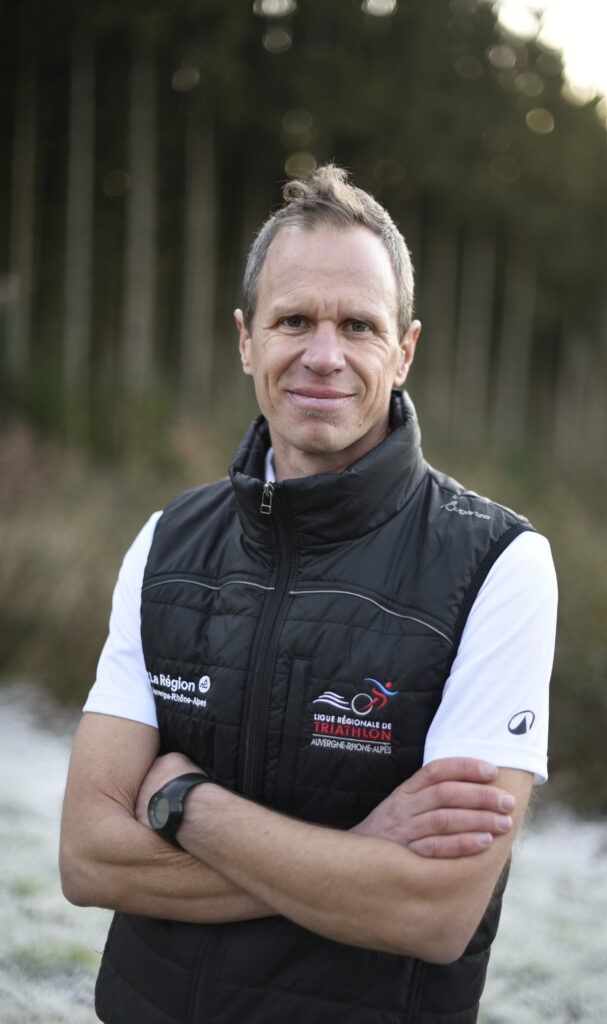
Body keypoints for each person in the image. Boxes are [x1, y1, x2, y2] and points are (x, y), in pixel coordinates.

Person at [60, 164, 557, 1024]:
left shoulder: (500, 567)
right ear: (246, 340)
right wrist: (355, 857)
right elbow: (88, 858)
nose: (323, 356)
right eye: (294, 320)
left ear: (403, 352)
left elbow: (433, 912)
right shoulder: (167, 543)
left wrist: (185, 804)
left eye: (358, 325)